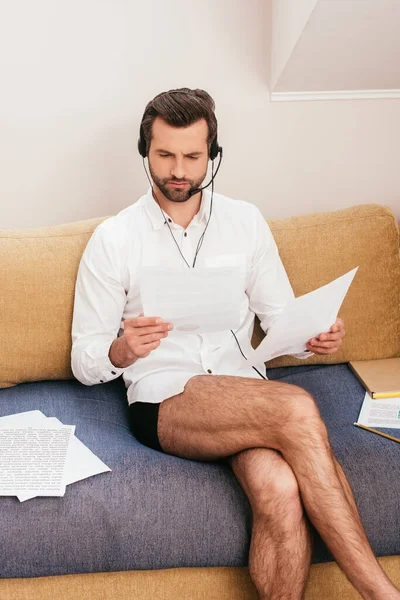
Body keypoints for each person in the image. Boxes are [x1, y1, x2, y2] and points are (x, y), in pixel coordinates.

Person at [71, 88, 400, 600]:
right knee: (296, 407)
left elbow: (280, 320)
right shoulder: (114, 239)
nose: (178, 170)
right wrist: (121, 349)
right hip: (167, 397)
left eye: (193, 156)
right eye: (165, 155)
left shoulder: (245, 222)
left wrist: (315, 336)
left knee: (279, 487)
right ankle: (382, 593)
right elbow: (83, 359)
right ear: (145, 151)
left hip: (244, 393)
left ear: (213, 155)